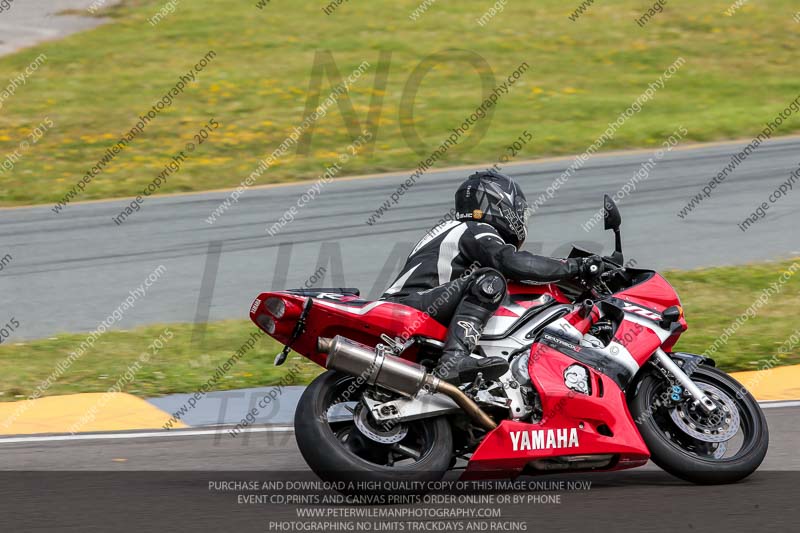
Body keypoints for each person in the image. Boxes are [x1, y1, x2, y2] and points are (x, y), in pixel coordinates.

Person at [381, 169, 602, 384]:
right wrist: (577, 266)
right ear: (499, 202)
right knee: (490, 281)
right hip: (408, 304)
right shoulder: (473, 228)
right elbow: (513, 263)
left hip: (415, 304)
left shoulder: (456, 230)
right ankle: (454, 360)